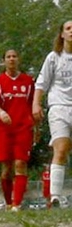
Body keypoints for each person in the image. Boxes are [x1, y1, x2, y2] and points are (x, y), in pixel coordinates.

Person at [0, 48, 35, 210]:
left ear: (18, 59)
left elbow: (33, 106)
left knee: (21, 164)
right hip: (5, 130)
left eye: (14, 56)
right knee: (6, 168)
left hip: (23, 128)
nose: (12, 59)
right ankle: (8, 203)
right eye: (8, 57)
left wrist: (36, 127)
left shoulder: (28, 81)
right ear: (4, 61)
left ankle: (17, 204)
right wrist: (1, 113)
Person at [35, 20, 72, 207]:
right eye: (68, 28)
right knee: (61, 149)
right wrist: (36, 104)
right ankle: (55, 196)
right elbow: (41, 83)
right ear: (62, 34)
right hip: (59, 107)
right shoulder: (53, 58)